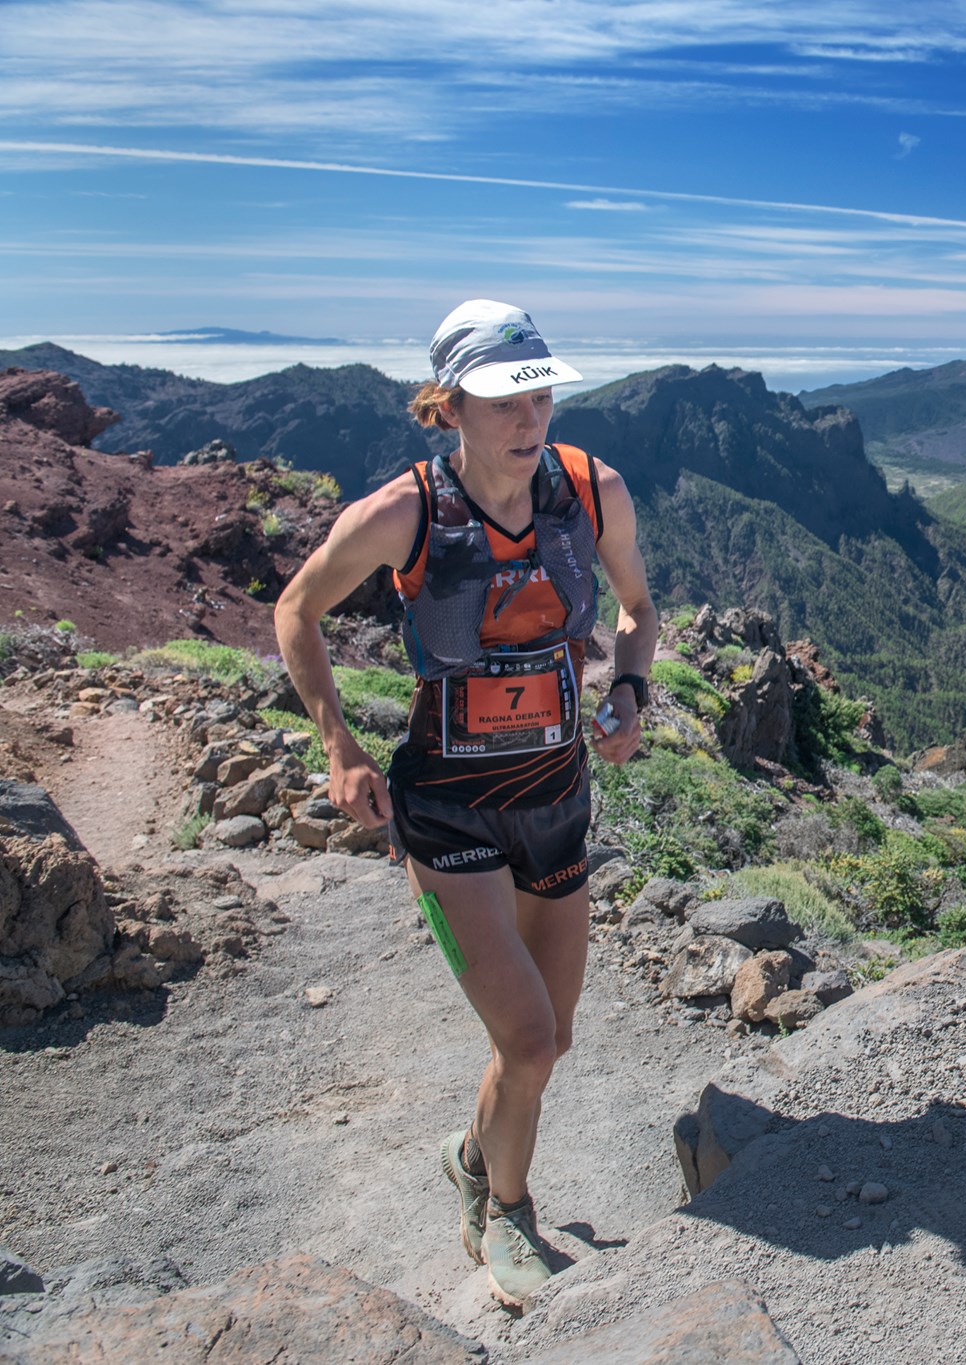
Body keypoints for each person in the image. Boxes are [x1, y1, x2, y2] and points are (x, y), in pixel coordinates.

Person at [274, 300, 657, 1309]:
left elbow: (636, 610)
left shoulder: (591, 491)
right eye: (500, 399)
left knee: (550, 1041)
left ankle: (473, 1154)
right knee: (527, 1040)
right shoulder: (404, 513)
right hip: (447, 811)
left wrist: (626, 691)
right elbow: (295, 609)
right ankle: (506, 1216)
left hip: (555, 800)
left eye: (538, 391)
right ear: (450, 406)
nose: (526, 417)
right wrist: (336, 741)